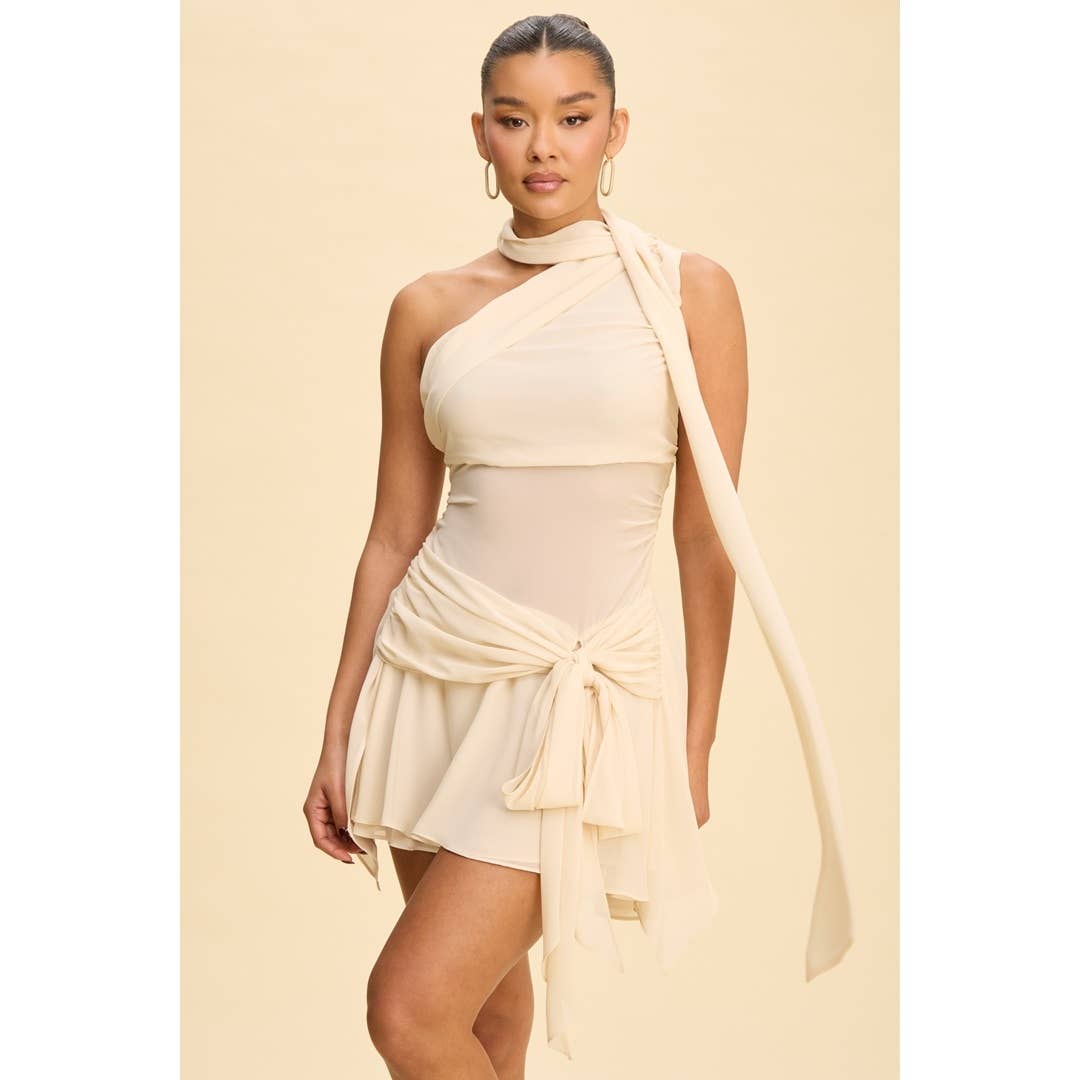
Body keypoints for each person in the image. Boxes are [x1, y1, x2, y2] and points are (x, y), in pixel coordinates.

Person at [303, 13, 854, 1076]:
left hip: (580, 703)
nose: (544, 146)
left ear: (616, 130)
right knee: (483, 1022)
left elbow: (706, 533)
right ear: (481, 134)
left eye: (573, 117)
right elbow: (393, 534)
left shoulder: (687, 292)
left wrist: (690, 745)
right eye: (515, 120)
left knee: (407, 1009)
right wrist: (337, 732)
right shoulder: (427, 307)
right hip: (429, 680)